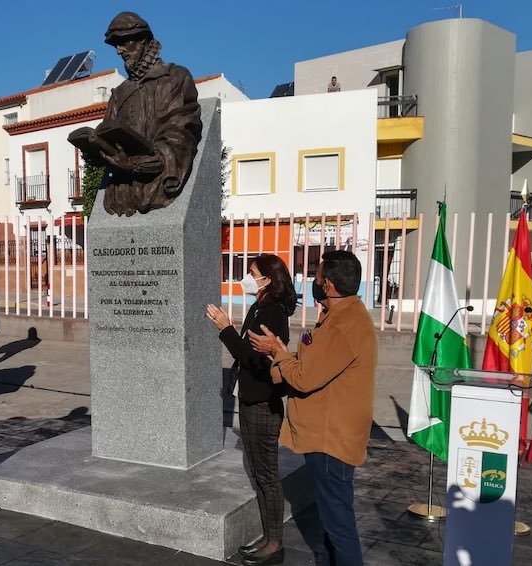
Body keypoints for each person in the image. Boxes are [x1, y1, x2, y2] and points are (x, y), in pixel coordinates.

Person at [249, 250, 376, 566]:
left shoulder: (343, 325)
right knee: (332, 523)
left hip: (331, 440)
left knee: (338, 524)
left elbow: (305, 378)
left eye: (317, 278)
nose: (314, 282)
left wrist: (277, 353)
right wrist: (282, 354)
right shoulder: (339, 316)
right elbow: (311, 361)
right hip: (328, 435)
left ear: (329, 285)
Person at [206, 254, 296, 566]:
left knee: (267, 474)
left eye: (252, 273)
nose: (246, 277)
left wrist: (224, 329)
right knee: (258, 474)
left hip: (263, 402)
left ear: (267, 279)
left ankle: (275, 542)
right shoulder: (259, 307)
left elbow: (253, 358)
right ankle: (269, 535)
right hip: (250, 398)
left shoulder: (272, 312)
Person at [80, 11, 202, 216]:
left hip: (157, 184)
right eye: (115, 45)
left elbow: (180, 135)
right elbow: (109, 134)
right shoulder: (119, 94)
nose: (119, 51)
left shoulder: (175, 78)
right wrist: (96, 149)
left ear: (144, 40)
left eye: (124, 42)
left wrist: (137, 163)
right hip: (121, 192)